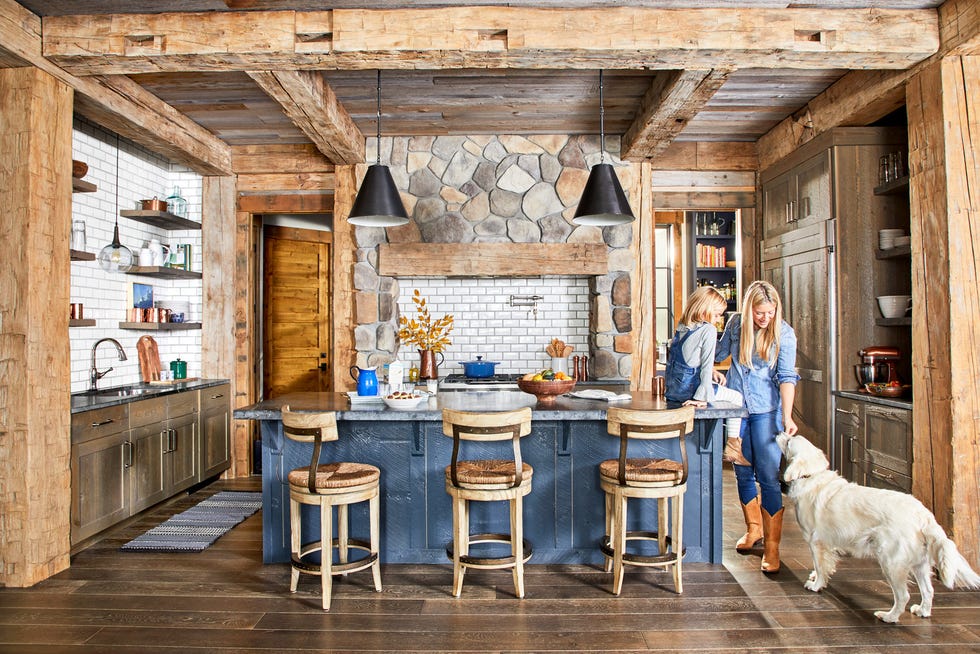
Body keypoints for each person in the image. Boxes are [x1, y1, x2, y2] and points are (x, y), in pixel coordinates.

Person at [715, 280, 799, 574]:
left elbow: (787, 377)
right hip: (738, 411)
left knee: (768, 477)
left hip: (766, 412)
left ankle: (773, 548)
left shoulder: (784, 335)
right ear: (749, 308)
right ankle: (754, 530)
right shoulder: (737, 324)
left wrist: (787, 417)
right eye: (759, 313)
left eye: (770, 312)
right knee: (741, 470)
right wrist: (707, 362)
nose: (765, 319)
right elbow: (718, 352)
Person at [664, 286, 749, 466]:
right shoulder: (708, 330)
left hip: (674, 391)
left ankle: (733, 446)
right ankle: (733, 446)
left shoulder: (683, 327)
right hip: (691, 392)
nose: (719, 320)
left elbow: (690, 360)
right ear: (705, 310)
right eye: (717, 314)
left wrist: (712, 372)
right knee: (736, 397)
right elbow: (705, 366)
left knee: (720, 392)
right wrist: (702, 398)